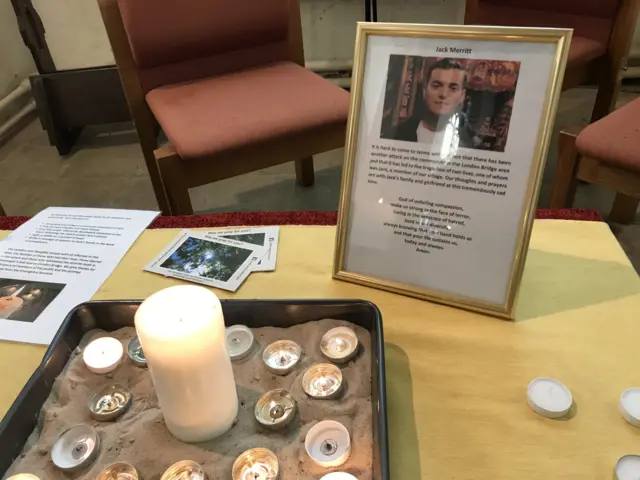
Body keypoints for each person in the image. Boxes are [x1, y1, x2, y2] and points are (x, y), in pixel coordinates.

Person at [391, 58, 475, 150]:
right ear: (424, 90)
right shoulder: (396, 135)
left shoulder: (473, 143)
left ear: (462, 96)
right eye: (436, 86)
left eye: (453, 88)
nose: (443, 94)